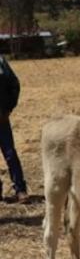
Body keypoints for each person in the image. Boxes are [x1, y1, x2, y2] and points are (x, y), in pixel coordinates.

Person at [0, 54, 29, 204]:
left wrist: (8, 109)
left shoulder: (1, 62)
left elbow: (14, 84)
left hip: (1, 118)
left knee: (10, 154)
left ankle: (20, 190)